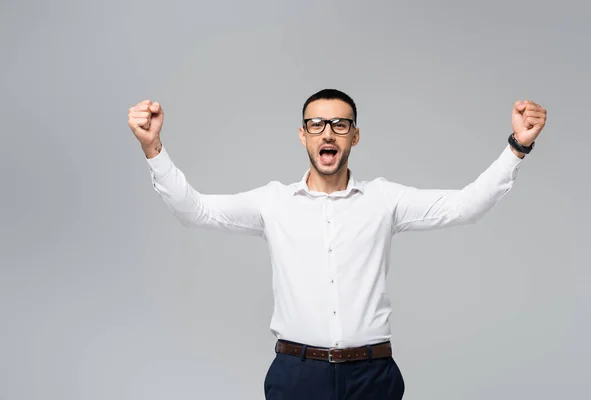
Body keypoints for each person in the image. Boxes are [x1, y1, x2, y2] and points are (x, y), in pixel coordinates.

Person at [127, 89, 547, 399]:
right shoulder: (273, 202)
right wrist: (153, 148)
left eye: (340, 124)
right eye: (317, 124)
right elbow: (195, 210)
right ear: (303, 135)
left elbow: (464, 206)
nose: (328, 133)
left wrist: (518, 146)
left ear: (354, 136)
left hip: (372, 376)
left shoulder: (385, 200)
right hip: (297, 376)